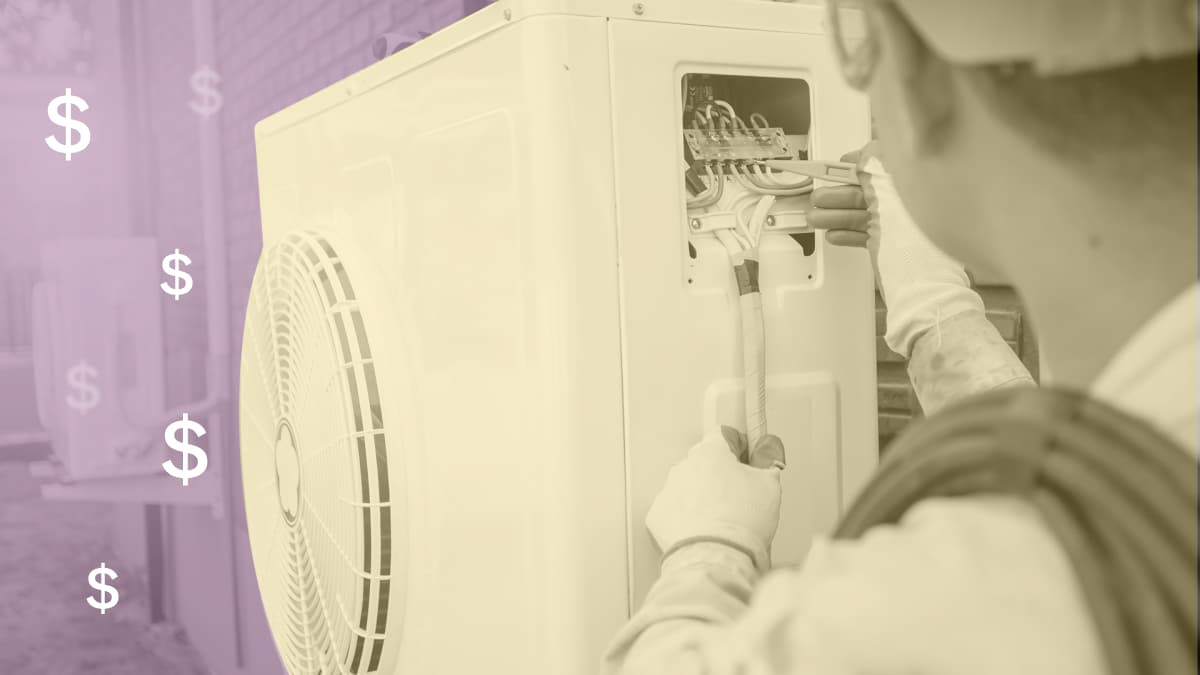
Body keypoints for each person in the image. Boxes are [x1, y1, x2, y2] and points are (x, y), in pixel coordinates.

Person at [604, 0, 1197, 673]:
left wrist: (707, 551)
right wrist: (931, 304)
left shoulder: (958, 592)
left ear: (907, 71)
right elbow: (1111, 452)